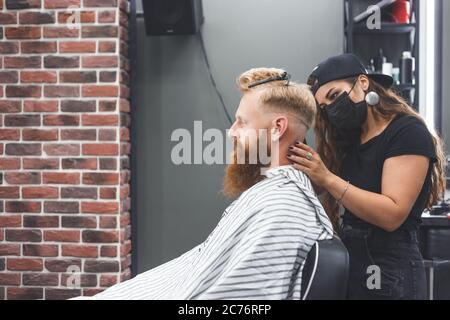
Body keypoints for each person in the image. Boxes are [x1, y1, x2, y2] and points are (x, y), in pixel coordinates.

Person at [72, 68, 333, 300]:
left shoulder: (282, 207)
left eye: (242, 122)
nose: (231, 132)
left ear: (277, 128)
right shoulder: (273, 193)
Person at [287, 53, 446, 300]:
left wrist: (328, 178)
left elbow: (392, 214)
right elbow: (324, 185)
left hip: (392, 271)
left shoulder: (407, 132)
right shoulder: (350, 139)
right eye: (324, 107)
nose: (331, 109)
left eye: (334, 96)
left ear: (363, 82)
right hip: (354, 262)